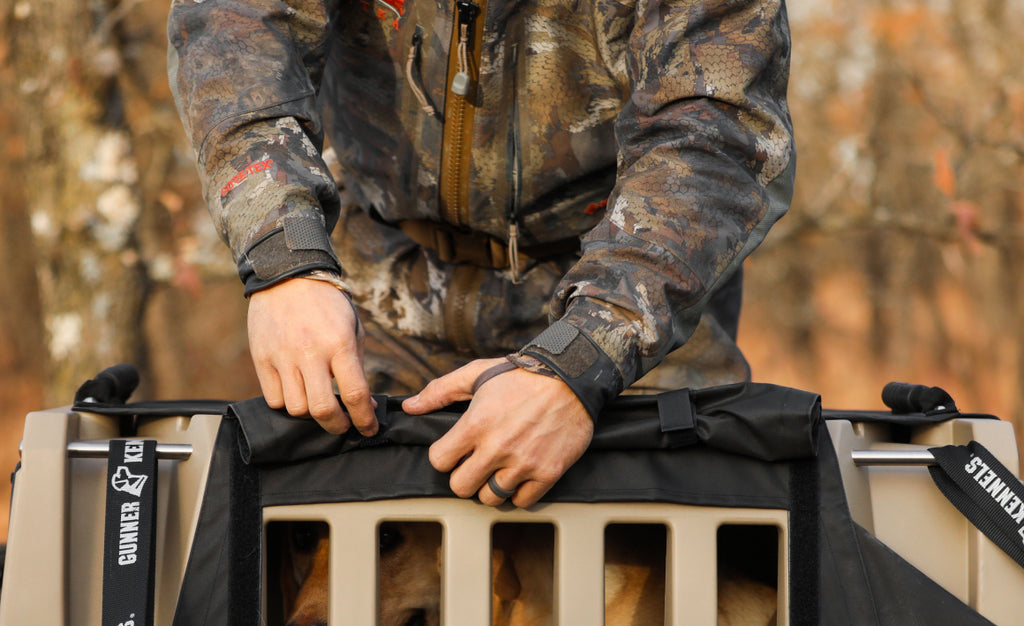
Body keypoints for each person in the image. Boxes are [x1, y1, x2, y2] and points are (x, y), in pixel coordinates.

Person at [168, 0, 794, 508]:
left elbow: (713, 138)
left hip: (624, 300)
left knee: (675, 589)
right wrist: (285, 262)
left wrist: (584, 360)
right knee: (334, 598)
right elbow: (233, 35)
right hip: (379, 294)